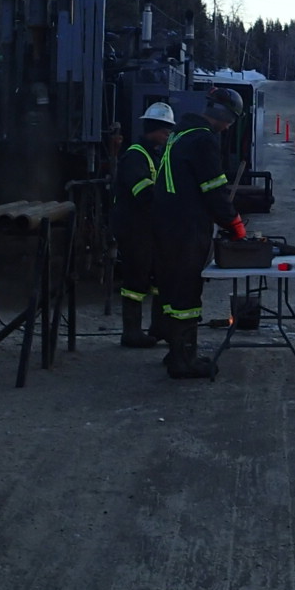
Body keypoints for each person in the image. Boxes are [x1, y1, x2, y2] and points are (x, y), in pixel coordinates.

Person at [149, 86, 247, 379]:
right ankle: (184, 360)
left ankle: (174, 350)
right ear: (222, 114)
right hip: (187, 228)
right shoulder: (203, 139)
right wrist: (234, 223)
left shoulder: (179, 135)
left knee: (169, 288)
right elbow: (213, 190)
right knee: (187, 291)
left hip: (165, 224)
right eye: (230, 120)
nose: (228, 126)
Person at [112, 102, 175, 348]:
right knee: (136, 280)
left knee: (159, 277)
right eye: (166, 130)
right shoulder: (136, 155)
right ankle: (131, 332)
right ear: (154, 130)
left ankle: (158, 327)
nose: (169, 135)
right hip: (134, 227)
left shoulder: (156, 155)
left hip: (150, 227)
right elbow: (144, 192)